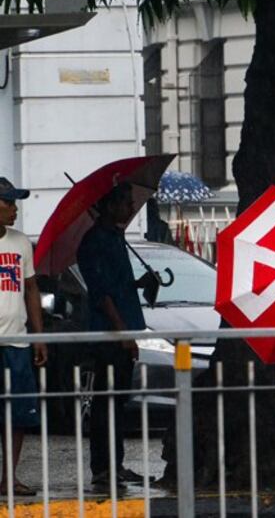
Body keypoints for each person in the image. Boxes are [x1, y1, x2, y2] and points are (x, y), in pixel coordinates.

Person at [77, 182, 153, 488]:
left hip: (124, 329)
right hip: (109, 335)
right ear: (109, 206)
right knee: (106, 402)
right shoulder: (94, 242)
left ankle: (116, 464)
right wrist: (123, 333)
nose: (131, 208)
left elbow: (119, 285)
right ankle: (103, 467)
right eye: (126, 203)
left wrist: (141, 283)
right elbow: (102, 293)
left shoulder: (116, 238)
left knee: (118, 401)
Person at [0, 177, 47, 497]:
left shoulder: (20, 243)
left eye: (15, 203)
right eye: (8, 203)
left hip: (16, 341)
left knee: (17, 415)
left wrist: (39, 336)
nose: (15, 209)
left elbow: (31, 289)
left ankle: (9, 478)